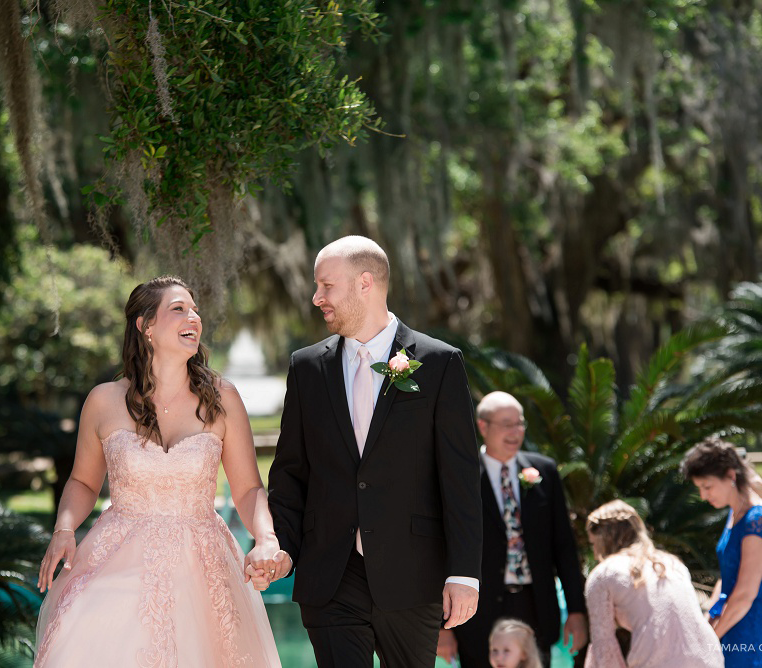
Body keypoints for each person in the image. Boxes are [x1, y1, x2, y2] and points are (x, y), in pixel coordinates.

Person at [33, 277, 282, 667]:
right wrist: (65, 528)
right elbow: (82, 481)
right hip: (117, 558)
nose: (194, 317)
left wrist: (265, 538)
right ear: (145, 326)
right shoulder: (103, 401)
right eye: (179, 309)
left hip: (202, 568)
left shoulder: (223, 398)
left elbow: (249, 490)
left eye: (195, 310)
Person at [267, 236, 483, 666]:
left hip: (414, 573)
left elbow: (459, 476)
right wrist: (282, 548)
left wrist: (464, 573)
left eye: (327, 286)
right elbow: (291, 472)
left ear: (365, 282)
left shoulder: (440, 363)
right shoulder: (306, 367)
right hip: (331, 572)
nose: (316, 298)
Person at [439, 392, 586, 668]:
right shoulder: (461, 474)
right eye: (506, 424)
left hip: (536, 606)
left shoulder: (544, 470)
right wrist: (442, 626)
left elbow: (564, 546)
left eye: (520, 424)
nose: (515, 431)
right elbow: (441, 549)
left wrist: (576, 611)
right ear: (483, 426)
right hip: (477, 612)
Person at [583, 500, 724, 667]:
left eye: (593, 544)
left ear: (603, 539)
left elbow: (604, 647)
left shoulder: (603, 574)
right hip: (708, 658)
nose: (594, 551)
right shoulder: (672, 563)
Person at [681, 437, 762, 667]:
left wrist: (710, 639)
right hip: (730, 624)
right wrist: (709, 620)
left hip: (751, 636)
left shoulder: (757, 520)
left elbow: (745, 594)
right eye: (699, 489)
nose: (704, 496)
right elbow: (727, 578)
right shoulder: (734, 514)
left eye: (707, 486)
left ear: (730, 475)